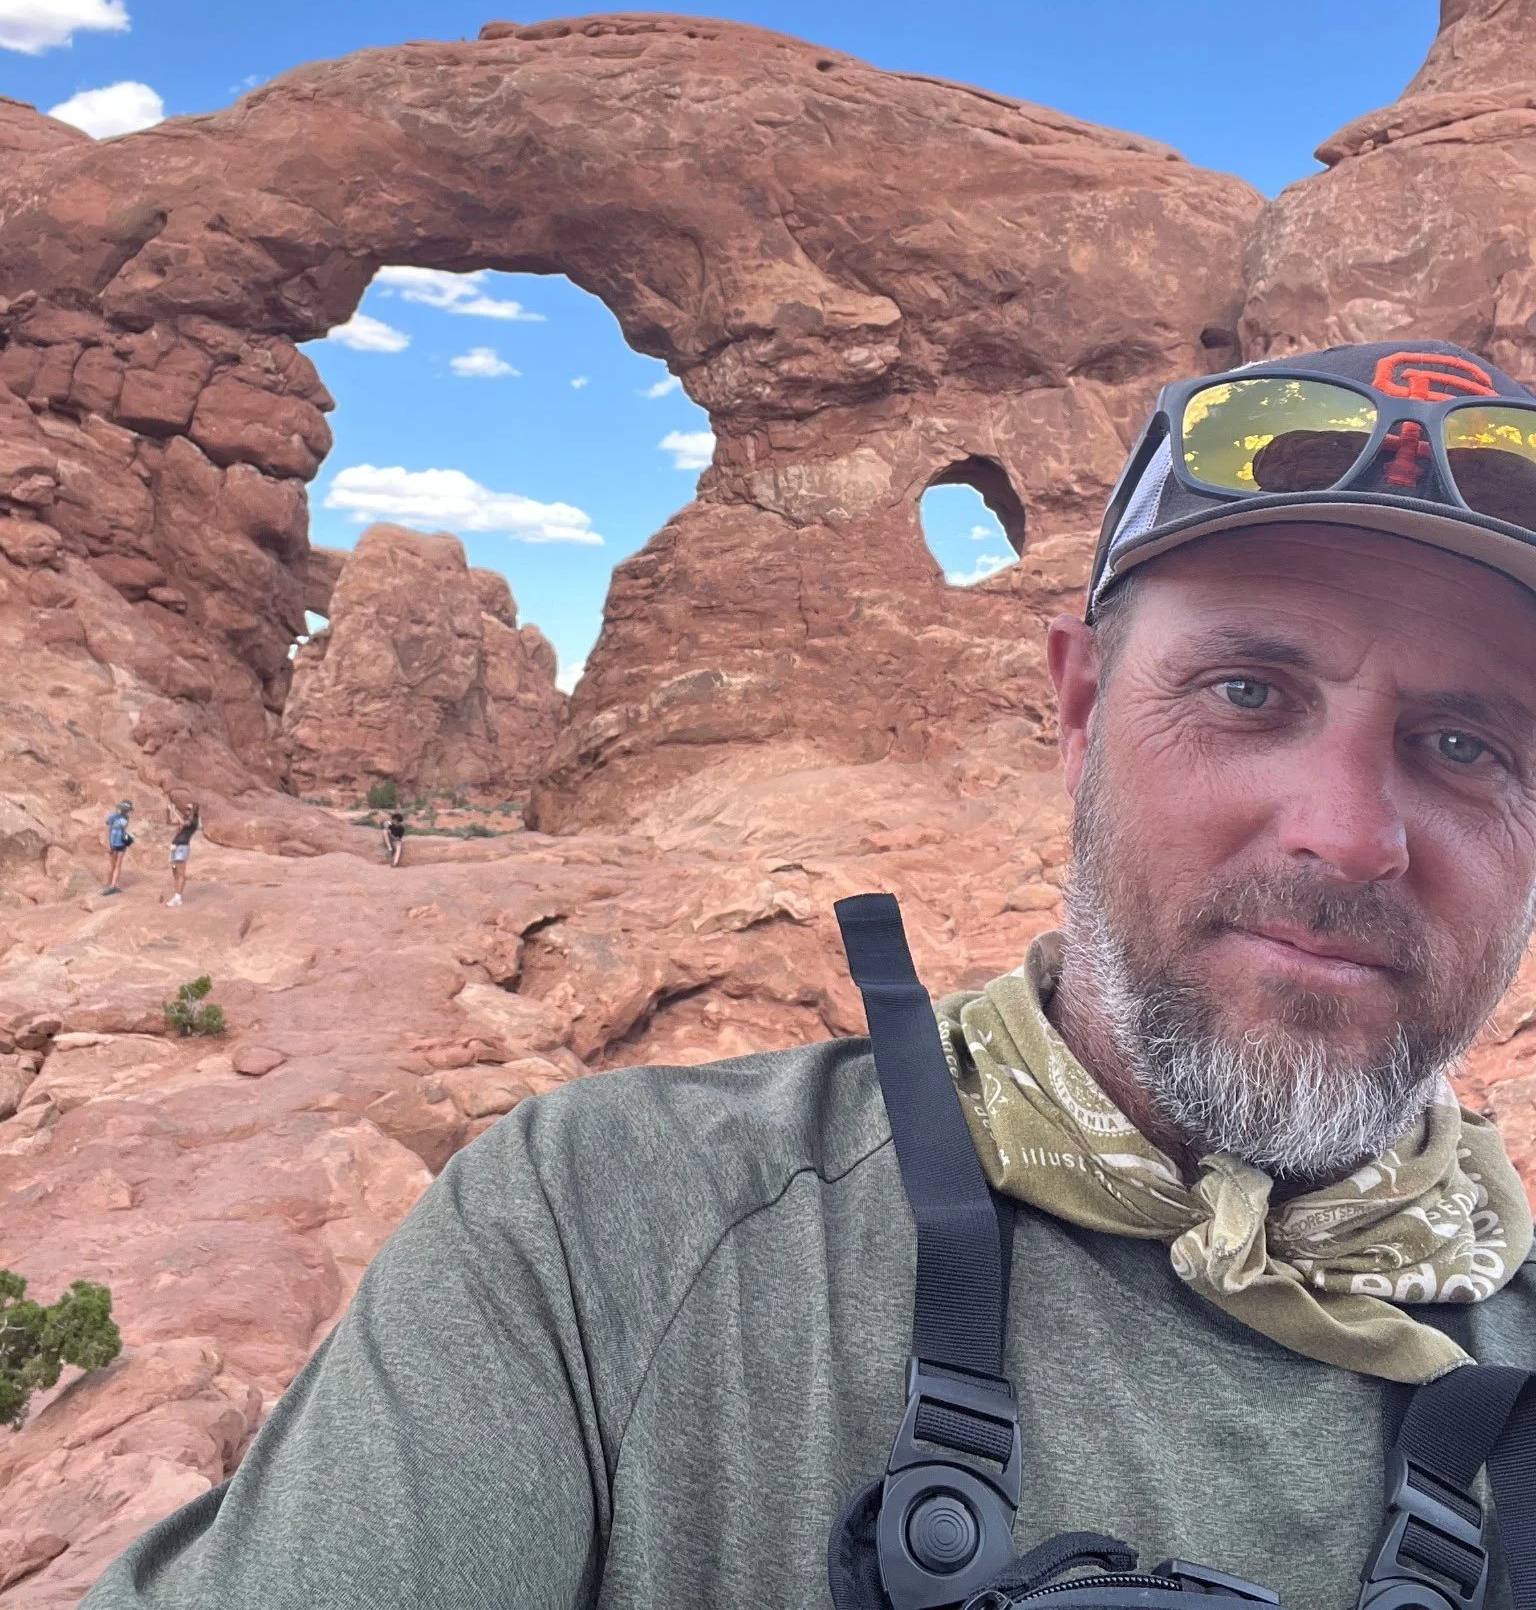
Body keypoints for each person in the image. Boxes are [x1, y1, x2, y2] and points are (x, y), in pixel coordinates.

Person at [80, 338, 1536, 1610]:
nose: (1347, 836)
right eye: (1248, 694)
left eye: (1466, 744)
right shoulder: (603, 1239)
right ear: (1079, 708)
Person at [165, 801, 200, 907]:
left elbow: (183, 824)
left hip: (182, 847)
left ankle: (178, 897)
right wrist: (168, 811)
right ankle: (176, 895)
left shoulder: (193, 821)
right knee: (175, 872)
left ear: (194, 811)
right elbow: (169, 822)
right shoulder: (185, 819)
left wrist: (174, 811)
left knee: (180, 872)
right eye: (186, 809)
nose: (186, 811)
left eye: (189, 809)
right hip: (175, 846)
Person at [101, 799, 133, 895]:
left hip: (121, 843)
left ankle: (112, 885)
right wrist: (107, 843)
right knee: (113, 865)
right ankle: (109, 884)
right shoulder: (114, 816)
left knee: (117, 865)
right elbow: (107, 829)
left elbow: (123, 829)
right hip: (113, 843)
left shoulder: (126, 817)